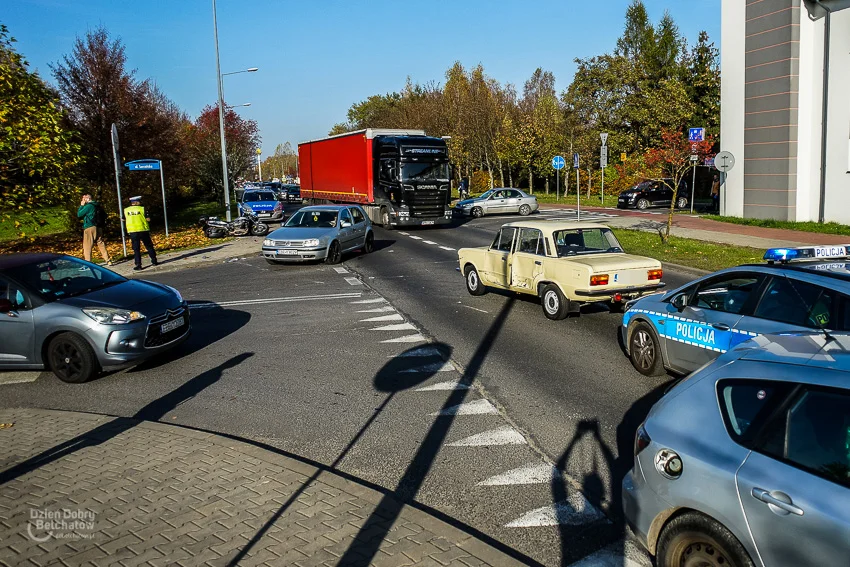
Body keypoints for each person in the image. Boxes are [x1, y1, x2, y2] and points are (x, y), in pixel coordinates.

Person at [124, 195, 158, 271]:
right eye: (139, 201)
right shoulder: (142, 209)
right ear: (135, 202)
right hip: (143, 230)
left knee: (136, 249)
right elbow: (148, 219)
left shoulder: (126, 210)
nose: (140, 202)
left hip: (133, 231)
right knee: (149, 246)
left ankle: (138, 265)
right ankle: (154, 261)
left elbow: (123, 219)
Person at [77, 193, 113, 266]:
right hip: (98, 227)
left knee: (87, 245)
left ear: (88, 198)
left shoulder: (88, 206)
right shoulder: (97, 205)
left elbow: (79, 214)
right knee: (100, 243)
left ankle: (88, 263)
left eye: (83, 198)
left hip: (89, 227)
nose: (82, 200)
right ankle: (108, 260)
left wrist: (81, 205)